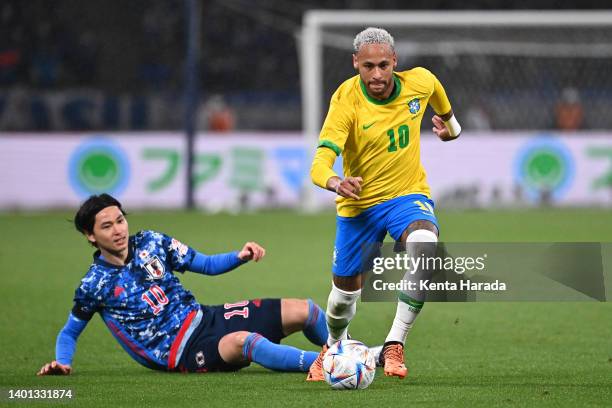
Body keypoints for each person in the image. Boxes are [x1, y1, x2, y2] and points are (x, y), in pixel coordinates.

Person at [307, 27, 461, 381]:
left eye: (382, 66)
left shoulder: (419, 82)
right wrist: (335, 181)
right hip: (357, 207)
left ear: (395, 62)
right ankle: (332, 345)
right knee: (343, 298)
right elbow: (319, 162)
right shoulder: (345, 100)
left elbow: (438, 94)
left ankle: (395, 343)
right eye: (367, 67)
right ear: (355, 64)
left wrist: (451, 127)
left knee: (427, 249)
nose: (376, 75)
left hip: (406, 196)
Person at [37, 194, 329, 375]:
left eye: (120, 220)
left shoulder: (152, 241)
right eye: (107, 226)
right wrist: (62, 362)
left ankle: (347, 350)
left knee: (307, 311)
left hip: (205, 317)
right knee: (246, 342)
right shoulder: (94, 284)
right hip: (181, 351)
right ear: (90, 235)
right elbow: (70, 332)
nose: (118, 230)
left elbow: (205, 264)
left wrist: (239, 256)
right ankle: (330, 365)